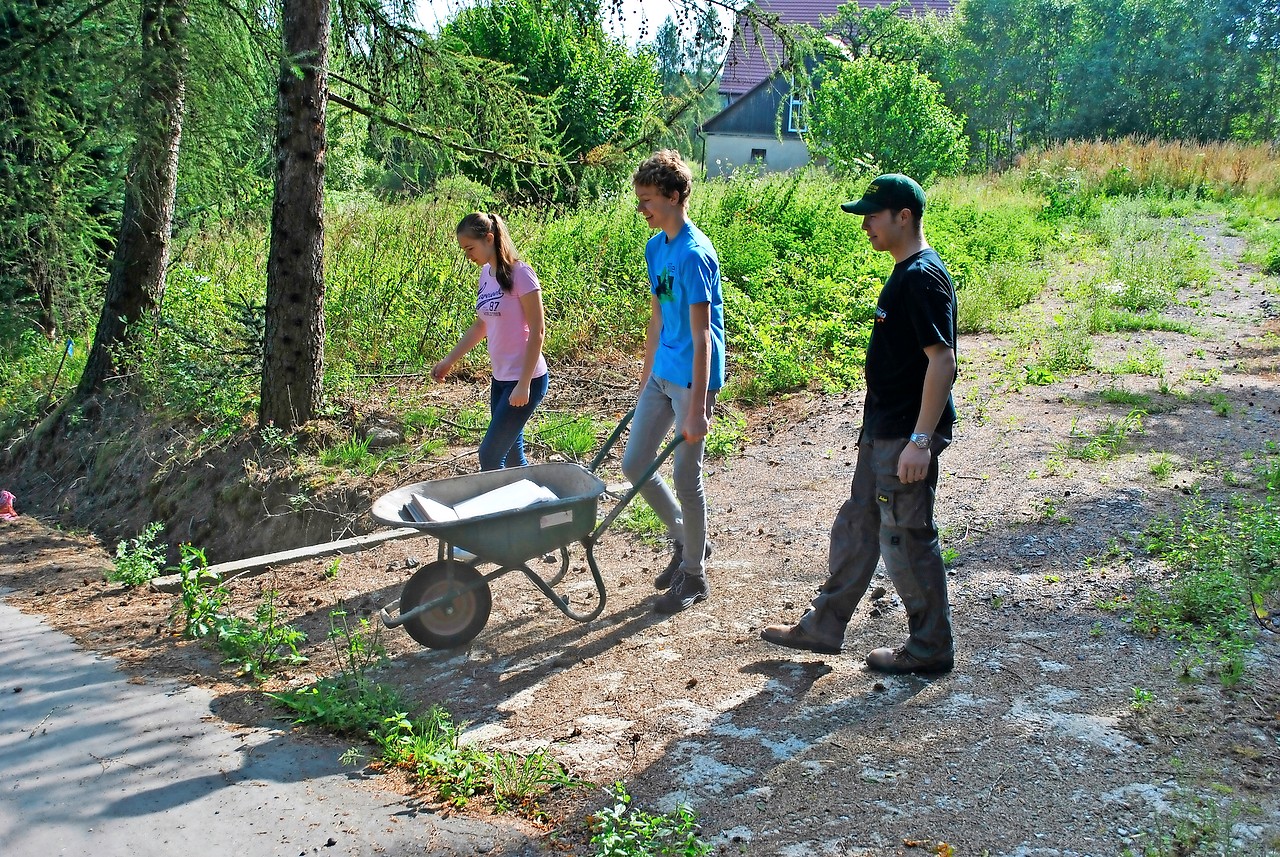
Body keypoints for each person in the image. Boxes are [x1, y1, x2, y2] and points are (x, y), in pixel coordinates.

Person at [761, 173, 959, 674]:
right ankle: (825, 625)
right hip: (883, 430)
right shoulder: (904, 271)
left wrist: (920, 441)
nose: (866, 224)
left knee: (905, 536)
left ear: (903, 216)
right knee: (859, 525)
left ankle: (930, 646)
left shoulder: (921, 277)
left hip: (903, 436)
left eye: (873, 214)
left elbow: (943, 363)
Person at [622, 150, 726, 615]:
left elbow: (702, 335)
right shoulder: (655, 247)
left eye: (647, 199)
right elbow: (657, 318)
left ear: (674, 195)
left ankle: (693, 575)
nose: (641, 208)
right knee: (634, 464)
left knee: (686, 475)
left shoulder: (693, 253)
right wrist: (645, 380)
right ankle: (688, 541)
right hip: (663, 375)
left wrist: (700, 407)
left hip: (692, 380)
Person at [432, 212, 549, 471]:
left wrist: (524, 384)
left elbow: (538, 331)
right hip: (501, 379)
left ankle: (501, 510)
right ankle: (534, 507)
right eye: (464, 249)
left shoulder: (522, 274)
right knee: (512, 456)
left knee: (490, 455)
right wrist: (449, 361)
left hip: (525, 379)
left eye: (470, 248)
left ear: (489, 239)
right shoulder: (486, 275)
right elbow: (481, 325)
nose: (467, 255)